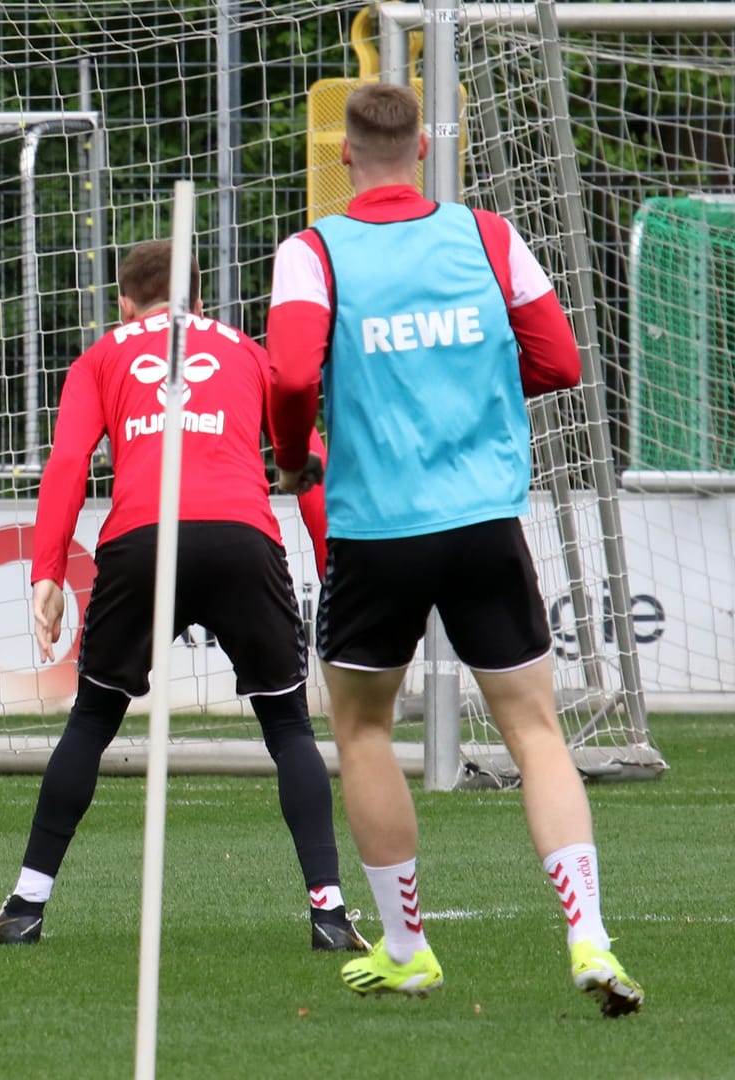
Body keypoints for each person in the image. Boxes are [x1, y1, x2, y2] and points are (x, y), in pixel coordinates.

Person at [267, 82, 643, 1016]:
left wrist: (292, 456)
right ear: (427, 155)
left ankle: (407, 948)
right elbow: (560, 361)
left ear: (346, 156)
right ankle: (589, 937)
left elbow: (285, 373)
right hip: (483, 523)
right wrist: (469, 379)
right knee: (536, 729)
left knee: (359, 729)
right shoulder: (489, 236)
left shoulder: (314, 253)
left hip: (377, 530)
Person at [0, 240, 365, 952]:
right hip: (242, 538)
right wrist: (336, 565)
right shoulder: (247, 350)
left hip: (141, 539)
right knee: (288, 729)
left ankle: (27, 905)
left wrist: (47, 574)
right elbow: (308, 463)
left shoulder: (103, 354)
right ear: (201, 300)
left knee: (91, 721)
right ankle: (330, 915)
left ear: (125, 302)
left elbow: (66, 464)